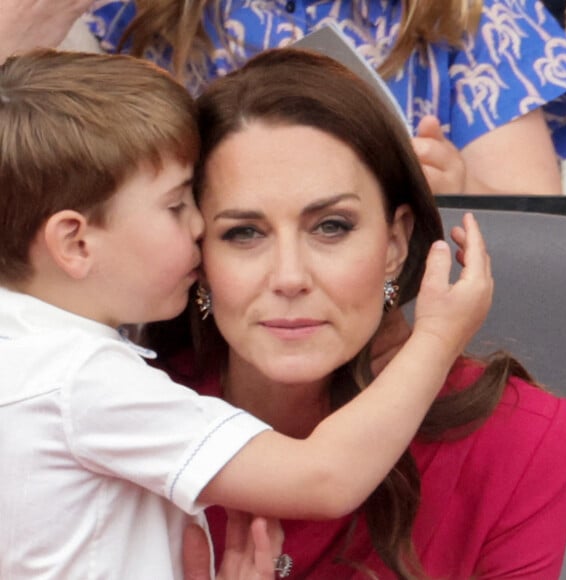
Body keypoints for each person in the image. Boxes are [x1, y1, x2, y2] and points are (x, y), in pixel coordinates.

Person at [0, 49, 493, 579]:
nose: (198, 228)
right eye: (177, 206)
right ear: (74, 242)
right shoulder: (83, 380)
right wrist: (439, 336)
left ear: (396, 240)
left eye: (331, 226)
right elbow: (325, 478)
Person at [151, 48, 566, 579]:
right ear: (198, 255)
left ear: (396, 243)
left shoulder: (519, 437)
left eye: (331, 226)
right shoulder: (119, 411)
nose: (289, 277)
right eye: (244, 233)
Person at [84, 0, 566, 195]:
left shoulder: (480, 15)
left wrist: (458, 190)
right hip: (212, 320)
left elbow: (535, 225)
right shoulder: (147, 13)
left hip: (413, 319)